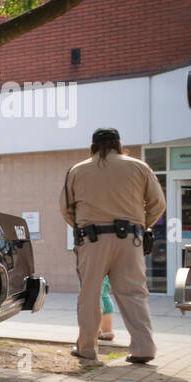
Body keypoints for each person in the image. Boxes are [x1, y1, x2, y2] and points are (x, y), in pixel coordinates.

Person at [60, 127, 165, 363]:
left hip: (92, 239)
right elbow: (158, 203)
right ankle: (144, 349)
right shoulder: (139, 167)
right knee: (134, 293)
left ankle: (87, 348)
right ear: (118, 144)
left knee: (90, 294)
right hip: (130, 239)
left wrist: (82, 227)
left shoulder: (78, 170)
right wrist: (140, 225)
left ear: (93, 147)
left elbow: (66, 208)